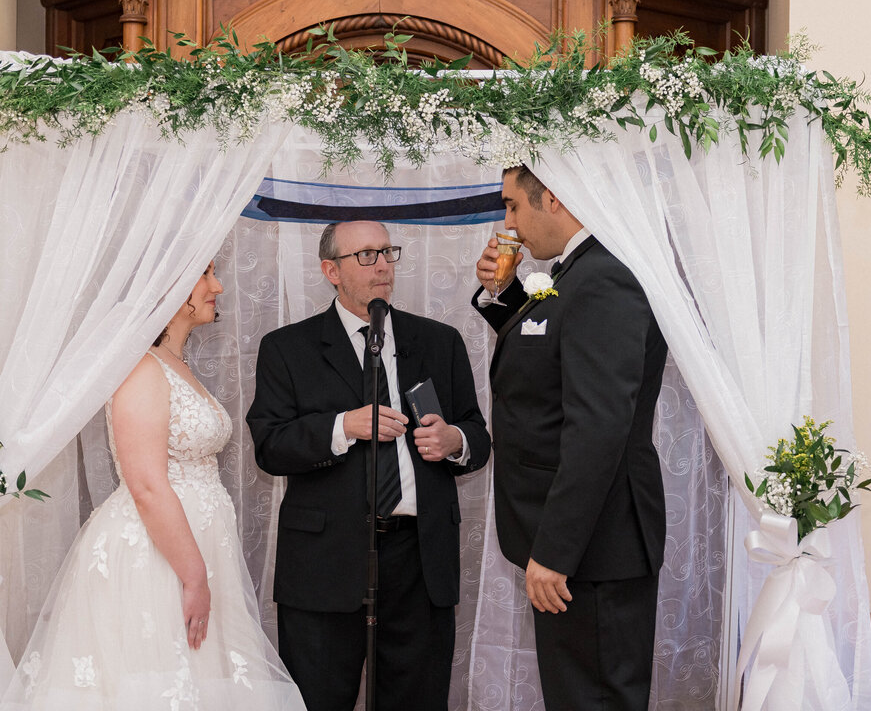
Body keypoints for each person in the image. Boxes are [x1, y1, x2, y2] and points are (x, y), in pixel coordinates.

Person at [1, 262, 305, 711]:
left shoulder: (173, 363)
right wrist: (194, 576)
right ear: (171, 285)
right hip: (157, 554)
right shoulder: (141, 368)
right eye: (206, 274)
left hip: (192, 545)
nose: (218, 286)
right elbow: (145, 483)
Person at [247, 220, 491, 711]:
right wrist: (344, 426)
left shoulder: (439, 341)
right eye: (365, 256)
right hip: (325, 562)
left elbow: (478, 436)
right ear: (330, 271)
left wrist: (454, 440)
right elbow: (270, 446)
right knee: (317, 699)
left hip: (419, 561)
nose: (382, 265)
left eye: (386, 252)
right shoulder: (287, 347)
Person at [472, 165, 668, 711]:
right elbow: (547, 354)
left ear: (553, 197)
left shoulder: (604, 277)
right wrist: (504, 294)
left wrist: (555, 551)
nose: (509, 222)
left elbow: (598, 426)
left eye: (513, 204)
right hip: (584, 545)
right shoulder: (581, 270)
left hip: (594, 547)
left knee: (594, 700)